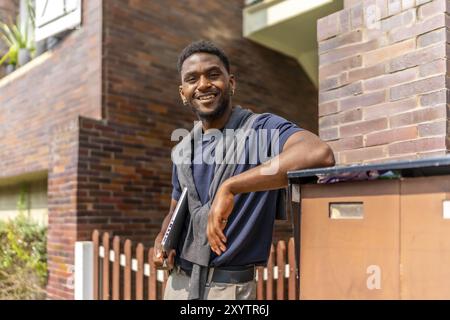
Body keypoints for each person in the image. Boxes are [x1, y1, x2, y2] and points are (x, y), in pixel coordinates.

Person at [153, 40, 335, 300]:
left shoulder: (261, 130)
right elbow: (174, 210)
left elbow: (319, 154)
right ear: (183, 92)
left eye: (213, 75)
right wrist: (162, 237)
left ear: (232, 83)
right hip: (178, 285)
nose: (203, 84)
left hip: (227, 289)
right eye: (192, 79)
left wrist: (231, 186)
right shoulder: (183, 150)